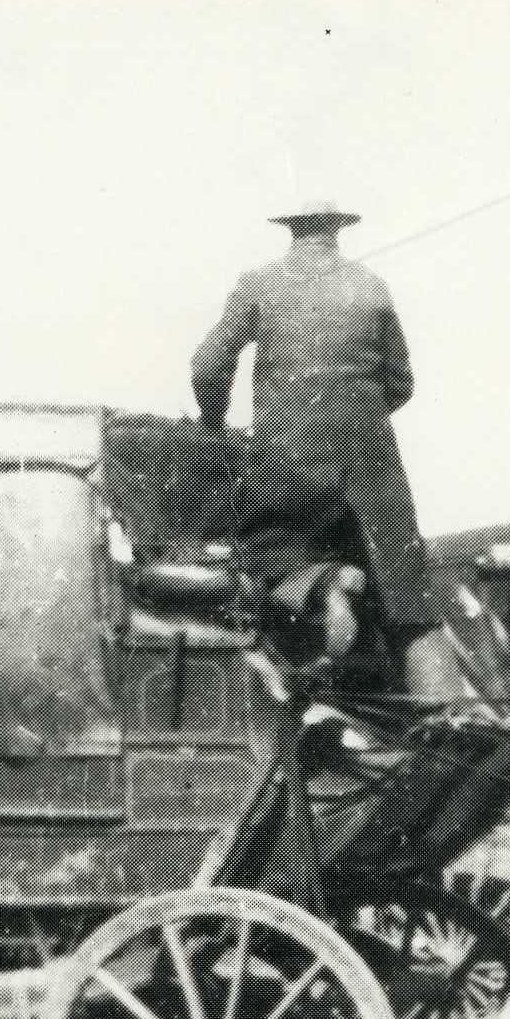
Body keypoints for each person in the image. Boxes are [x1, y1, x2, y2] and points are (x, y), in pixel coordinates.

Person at [189, 198, 469, 699]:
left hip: (286, 464)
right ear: (338, 230)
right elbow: (402, 384)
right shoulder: (372, 288)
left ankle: (318, 591)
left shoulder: (257, 285)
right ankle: (446, 728)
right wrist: (355, 413)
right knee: (413, 612)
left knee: (260, 578)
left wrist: (215, 425)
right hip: (371, 472)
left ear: (290, 231)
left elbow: (207, 368)